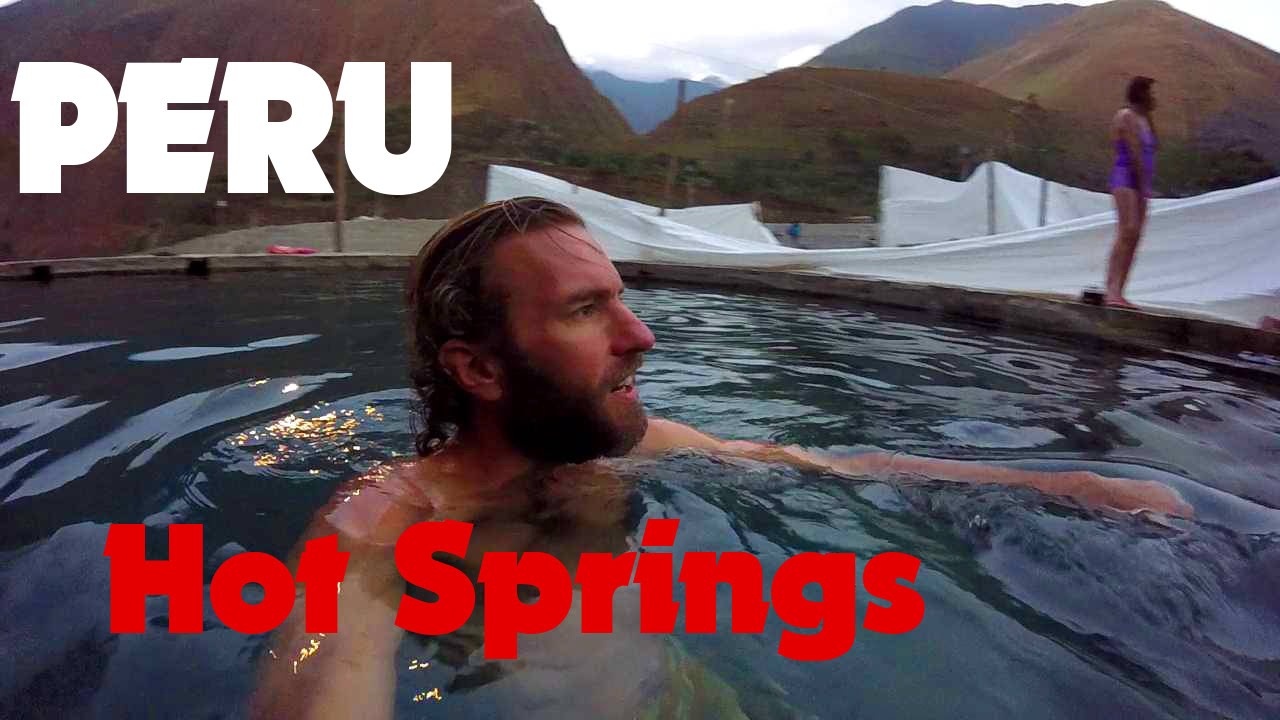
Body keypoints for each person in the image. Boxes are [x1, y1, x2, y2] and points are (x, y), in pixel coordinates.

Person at [250, 197, 1192, 719]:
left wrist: (1074, 485)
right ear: (480, 368)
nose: (642, 334)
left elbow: (827, 467)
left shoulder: (617, 450)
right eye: (587, 311)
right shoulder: (380, 528)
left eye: (621, 298)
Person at [1104, 76, 1159, 309]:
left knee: (1136, 237)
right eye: (1151, 92)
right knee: (1127, 230)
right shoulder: (1125, 116)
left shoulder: (1145, 119)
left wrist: (1146, 185)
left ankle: (1121, 291)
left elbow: (1151, 150)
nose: (1154, 97)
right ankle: (1111, 290)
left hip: (1141, 182)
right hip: (1126, 178)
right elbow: (1135, 152)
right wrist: (1142, 183)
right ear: (1141, 94)